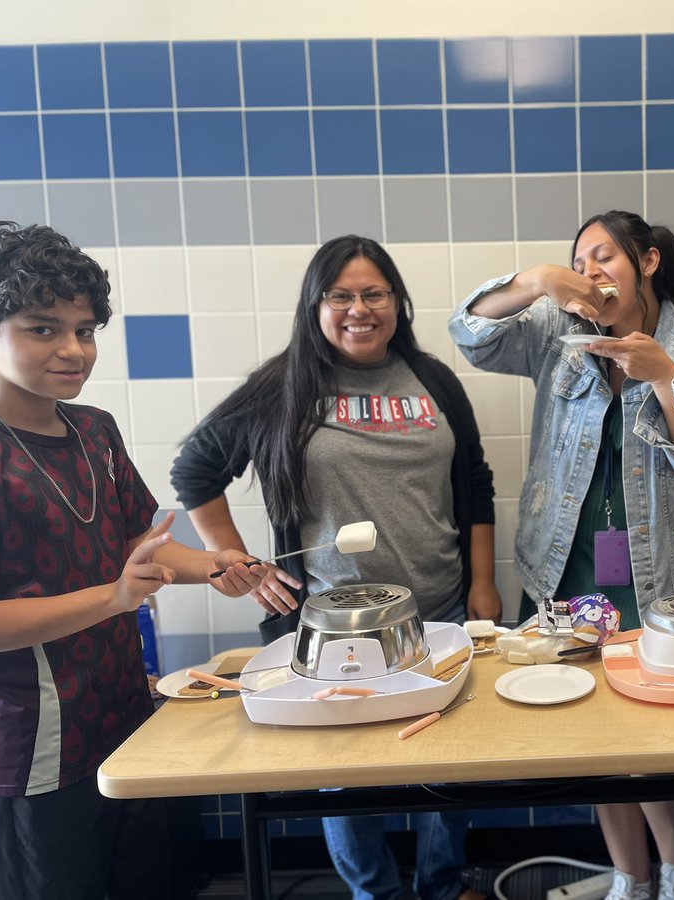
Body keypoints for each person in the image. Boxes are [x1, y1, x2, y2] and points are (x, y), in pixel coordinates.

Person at [170, 235, 498, 900]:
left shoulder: (433, 380)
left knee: (449, 760)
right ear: (315, 306)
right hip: (327, 629)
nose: (359, 309)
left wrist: (485, 584)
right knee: (341, 771)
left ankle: (440, 883)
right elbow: (194, 467)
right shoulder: (283, 387)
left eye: (374, 294)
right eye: (340, 296)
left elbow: (477, 484)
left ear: (397, 303)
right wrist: (236, 560)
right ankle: (372, 891)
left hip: (436, 611)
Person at [449, 210, 674, 900]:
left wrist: (667, 378)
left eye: (604, 257)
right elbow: (470, 336)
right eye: (579, 261)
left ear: (646, 262)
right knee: (594, 732)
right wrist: (532, 283)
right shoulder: (558, 335)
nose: (590, 273)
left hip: (657, 579)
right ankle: (629, 876)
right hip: (563, 566)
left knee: (655, 741)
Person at [0, 221, 262, 899]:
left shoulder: (93, 428)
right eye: (44, 329)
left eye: (86, 329)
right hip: (33, 747)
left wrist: (216, 566)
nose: (74, 350)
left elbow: (137, 545)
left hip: (124, 716)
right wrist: (112, 598)